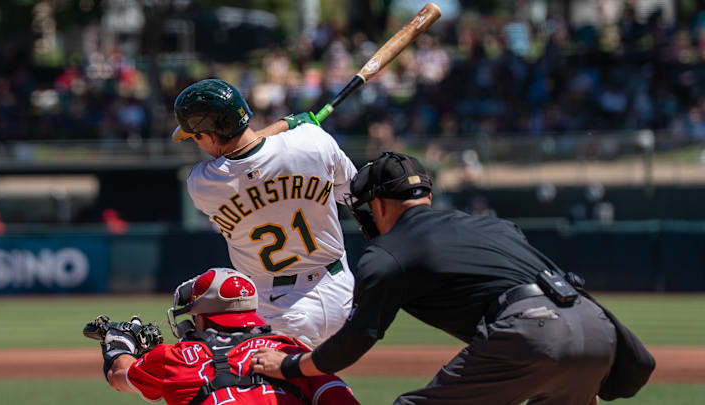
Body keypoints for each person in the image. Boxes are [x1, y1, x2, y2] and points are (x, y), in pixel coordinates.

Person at [252, 152, 624, 405]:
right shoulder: (495, 227)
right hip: (599, 328)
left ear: (378, 205)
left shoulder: (386, 254)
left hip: (531, 333)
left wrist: (289, 365)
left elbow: (354, 340)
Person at [171, 79, 357, 347]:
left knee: (265, 386)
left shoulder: (202, 184)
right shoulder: (313, 141)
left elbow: (244, 160)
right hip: (343, 294)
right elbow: (351, 191)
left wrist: (288, 125)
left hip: (279, 310)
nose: (197, 144)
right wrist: (297, 128)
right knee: (326, 386)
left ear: (210, 135)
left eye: (196, 137)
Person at [101, 267, 360, 405]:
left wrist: (118, 343)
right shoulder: (291, 354)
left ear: (202, 317)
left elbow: (119, 377)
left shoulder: (175, 359)